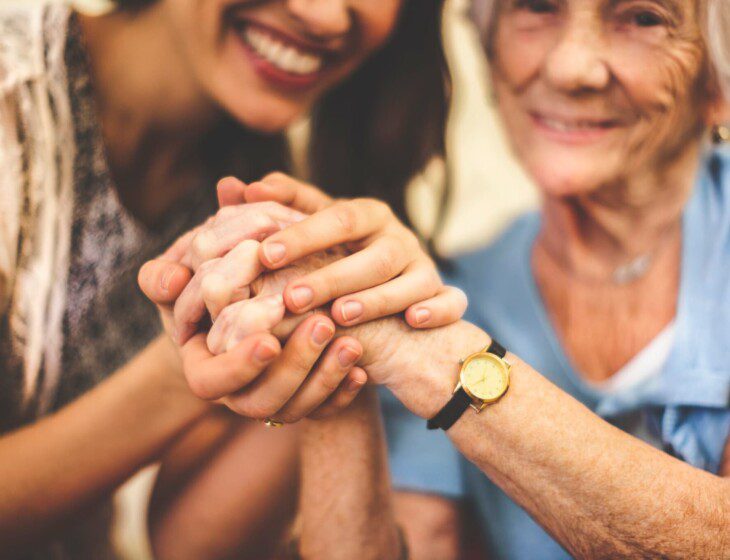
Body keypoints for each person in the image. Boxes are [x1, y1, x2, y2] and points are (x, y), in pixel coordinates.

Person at [143, 0, 730, 557]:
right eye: (536, 6)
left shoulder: (434, 322)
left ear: (720, 83)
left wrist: (426, 355)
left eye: (645, 17)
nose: (570, 67)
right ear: (487, 42)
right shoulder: (450, 291)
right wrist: (332, 330)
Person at [0, 0, 466, 557]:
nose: (324, 17)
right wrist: (181, 371)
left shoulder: (266, 187)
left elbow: (192, 545)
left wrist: (341, 343)